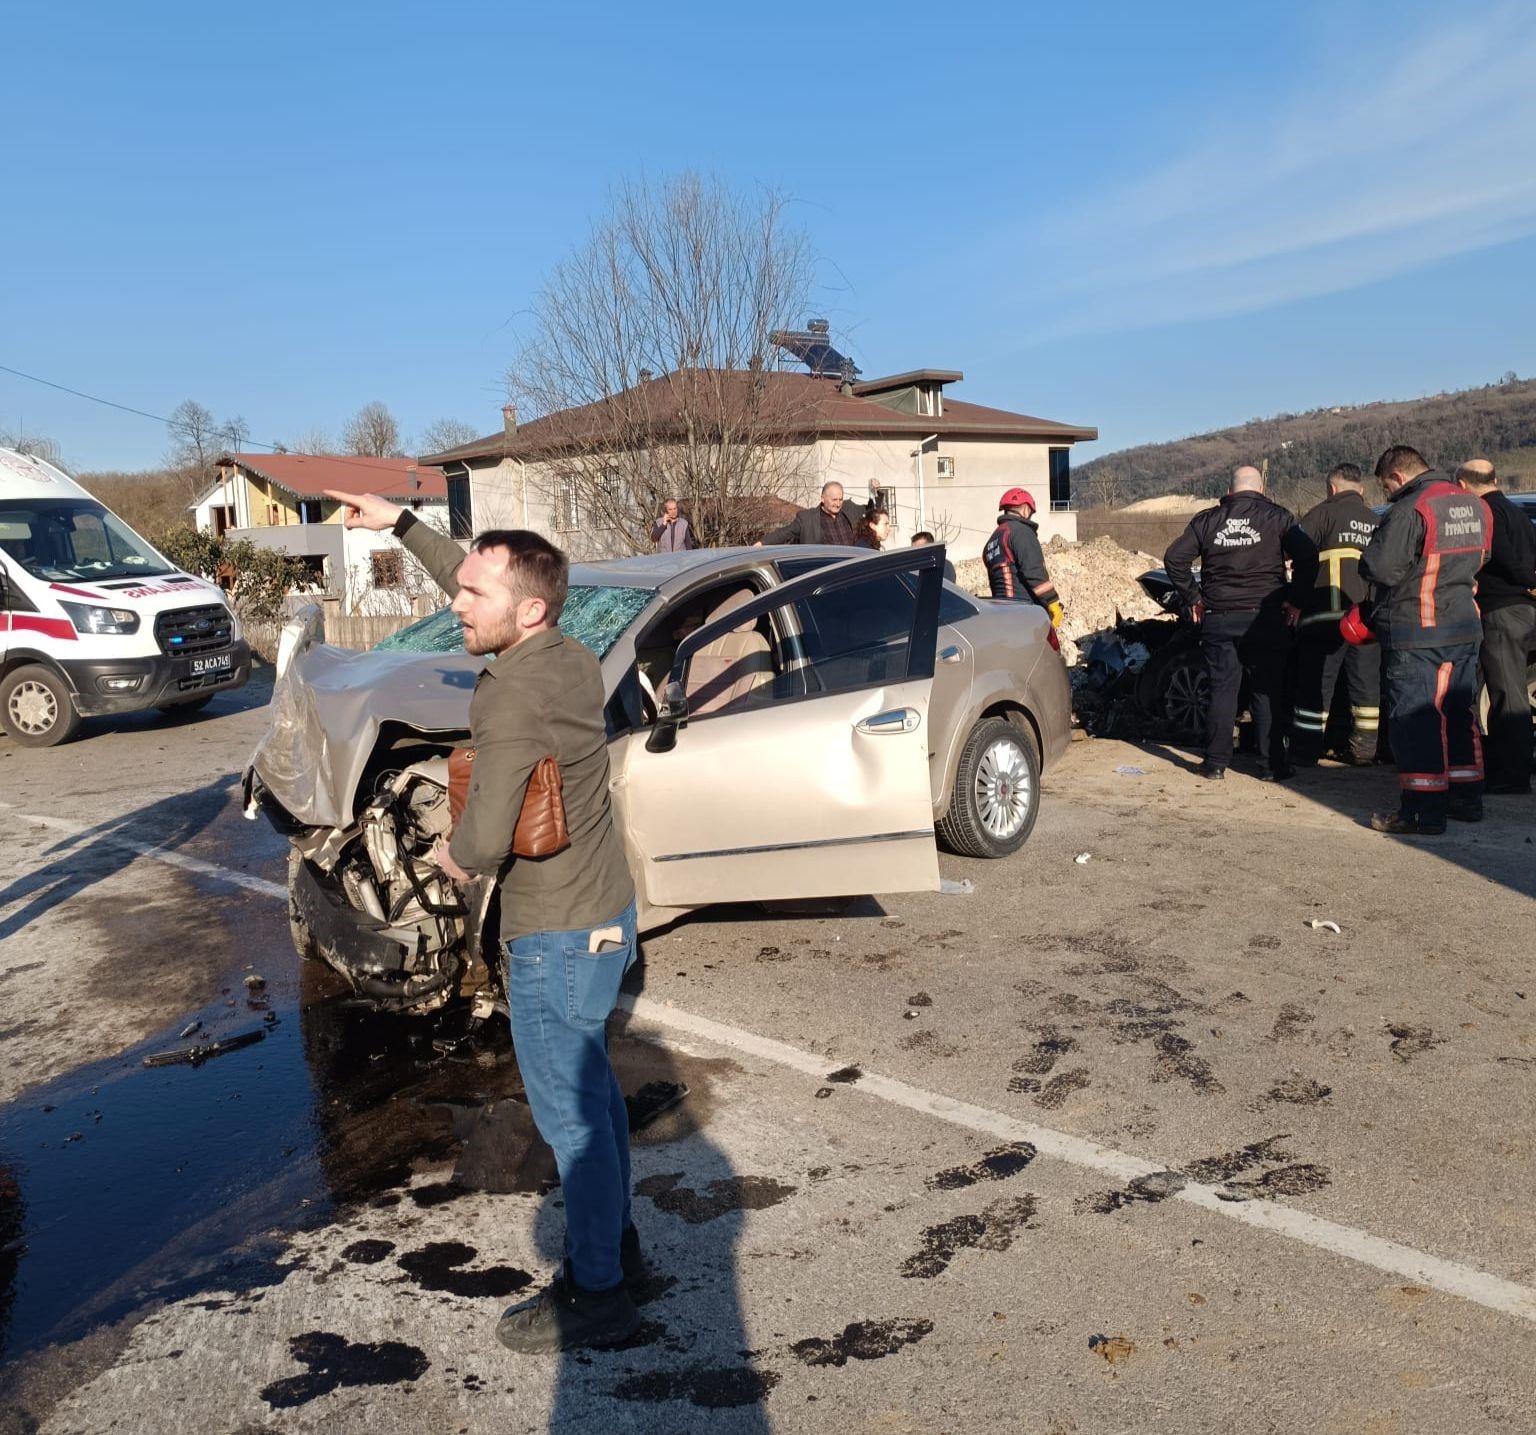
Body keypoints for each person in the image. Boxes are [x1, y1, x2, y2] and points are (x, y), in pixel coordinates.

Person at [324, 487, 643, 1352]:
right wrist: (399, 524)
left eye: (473, 596)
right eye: (457, 588)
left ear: (527, 607)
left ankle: (599, 1292)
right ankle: (619, 1247)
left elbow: (489, 836)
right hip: (609, 909)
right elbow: (477, 580)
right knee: (597, 1096)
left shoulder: (509, 695)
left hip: (556, 932)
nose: (455, 603)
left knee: (570, 1117)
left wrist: (446, 858)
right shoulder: (573, 652)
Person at [1358, 446, 1491, 834]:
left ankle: (1422, 810)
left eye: (1387, 487)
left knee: (1415, 720)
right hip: (1465, 626)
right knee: (1458, 714)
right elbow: (1481, 559)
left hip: (1417, 629)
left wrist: (1364, 561)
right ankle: (1466, 799)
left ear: (1398, 477)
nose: (1388, 495)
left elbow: (1380, 568)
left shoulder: (1411, 508)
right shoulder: (1475, 506)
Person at [1163, 465, 1318, 781]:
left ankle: (1215, 764)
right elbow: (1309, 556)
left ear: (1230, 491)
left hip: (1219, 618)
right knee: (1267, 691)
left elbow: (1174, 558)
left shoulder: (1207, 520)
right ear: (1261, 490)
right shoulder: (1278, 518)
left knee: (1222, 691)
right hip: (1266, 618)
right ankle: (1272, 765)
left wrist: (1194, 598)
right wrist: (1296, 599)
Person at [1455, 459, 1535, 795]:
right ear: (1495, 479)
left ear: (1461, 486)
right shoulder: (1517, 511)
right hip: (1526, 611)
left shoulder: (1485, 514)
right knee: (1511, 692)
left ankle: (1512, 776)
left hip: (1502, 611)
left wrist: (1526, 580)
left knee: (1507, 695)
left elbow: (1500, 556)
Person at [1292, 463, 1380, 765]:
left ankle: (1306, 751)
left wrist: (1293, 600)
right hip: (1365, 620)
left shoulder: (1323, 513)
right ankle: (1364, 751)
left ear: (1332, 489)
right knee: (1366, 689)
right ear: (1362, 490)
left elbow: (1296, 554)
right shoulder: (1377, 521)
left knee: (1316, 686)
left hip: (1323, 618)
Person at [983, 488, 1064, 628]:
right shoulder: (1021, 531)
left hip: (1002, 614)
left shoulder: (991, 542)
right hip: (1023, 613)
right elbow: (1033, 571)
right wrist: (1052, 602)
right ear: (1026, 510)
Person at [754, 481, 870, 546]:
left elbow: (871, 512)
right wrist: (762, 543)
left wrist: (875, 492)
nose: (838, 504)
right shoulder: (807, 519)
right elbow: (785, 533)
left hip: (852, 567)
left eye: (840, 499)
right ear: (823, 498)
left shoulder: (849, 509)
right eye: (834, 500)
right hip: (825, 571)